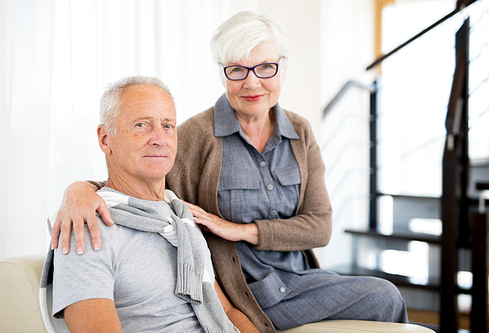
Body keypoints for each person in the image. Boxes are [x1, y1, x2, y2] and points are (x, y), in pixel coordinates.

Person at [51, 12, 408, 332]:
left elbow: (320, 226)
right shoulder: (194, 135)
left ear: (282, 67)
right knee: (385, 295)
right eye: (237, 70)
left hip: (300, 278)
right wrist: (81, 190)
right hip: (243, 286)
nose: (252, 83)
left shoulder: (300, 131)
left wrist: (239, 230)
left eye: (265, 67)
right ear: (223, 74)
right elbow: (145, 186)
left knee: (385, 296)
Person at [40, 76, 258, 333]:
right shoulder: (83, 225)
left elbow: (227, 312)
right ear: (105, 139)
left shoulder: (181, 219)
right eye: (141, 125)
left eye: (168, 126)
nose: (159, 138)